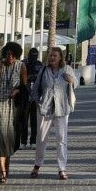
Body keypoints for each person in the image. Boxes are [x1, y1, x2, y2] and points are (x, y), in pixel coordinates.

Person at [30, 46, 78, 179]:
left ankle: (62, 168)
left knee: (62, 139)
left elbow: (76, 82)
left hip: (62, 108)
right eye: (50, 55)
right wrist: (36, 102)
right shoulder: (44, 70)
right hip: (45, 108)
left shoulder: (67, 69)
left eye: (54, 56)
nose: (52, 58)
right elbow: (37, 86)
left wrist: (71, 80)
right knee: (41, 139)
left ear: (60, 57)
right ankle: (37, 165)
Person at [0, 42, 25, 183]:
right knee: (2, 136)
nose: (10, 57)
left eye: (13, 54)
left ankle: (6, 168)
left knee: (10, 138)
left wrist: (17, 90)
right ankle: (2, 170)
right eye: (7, 54)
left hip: (13, 105)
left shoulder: (21, 66)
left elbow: (24, 86)